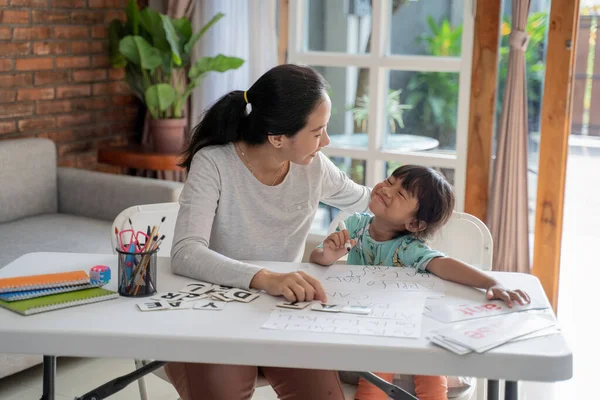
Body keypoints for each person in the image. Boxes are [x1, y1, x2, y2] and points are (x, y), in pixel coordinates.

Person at [165, 64, 371, 400]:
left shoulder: (314, 167)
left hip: (283, 312)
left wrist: (417, 200)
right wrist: (266, 278)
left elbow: (366, 201)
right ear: (277, 138)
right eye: (317, 132)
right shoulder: (214, 163)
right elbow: (186, 252)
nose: (327, 141)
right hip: (212, 313)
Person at [310, 165, 531, 400]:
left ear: (414, 225)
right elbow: (316, 258)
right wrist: (328, 255)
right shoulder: (355, 225)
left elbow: (445, 265)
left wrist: (491, 283)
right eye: (389, 180)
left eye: (400, 194)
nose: (386, 189)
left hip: (408, 328)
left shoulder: (408, 248)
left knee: (429, 364)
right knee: (379, 359)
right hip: (366, 325)